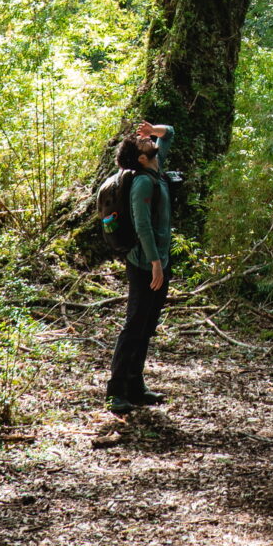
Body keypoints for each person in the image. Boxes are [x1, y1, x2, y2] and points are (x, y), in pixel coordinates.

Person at [106, 122, 172, 414]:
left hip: (160, 261)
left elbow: (169, 133)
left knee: (147, 326)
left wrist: (152, 129)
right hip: (144, 263)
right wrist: (155, 262)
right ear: (142, 159)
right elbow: (141, 224)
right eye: (142, 143)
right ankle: (116, 391)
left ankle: (135, 386)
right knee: (134, 325)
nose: (145, 140)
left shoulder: (156, 168)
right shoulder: (143, 182)